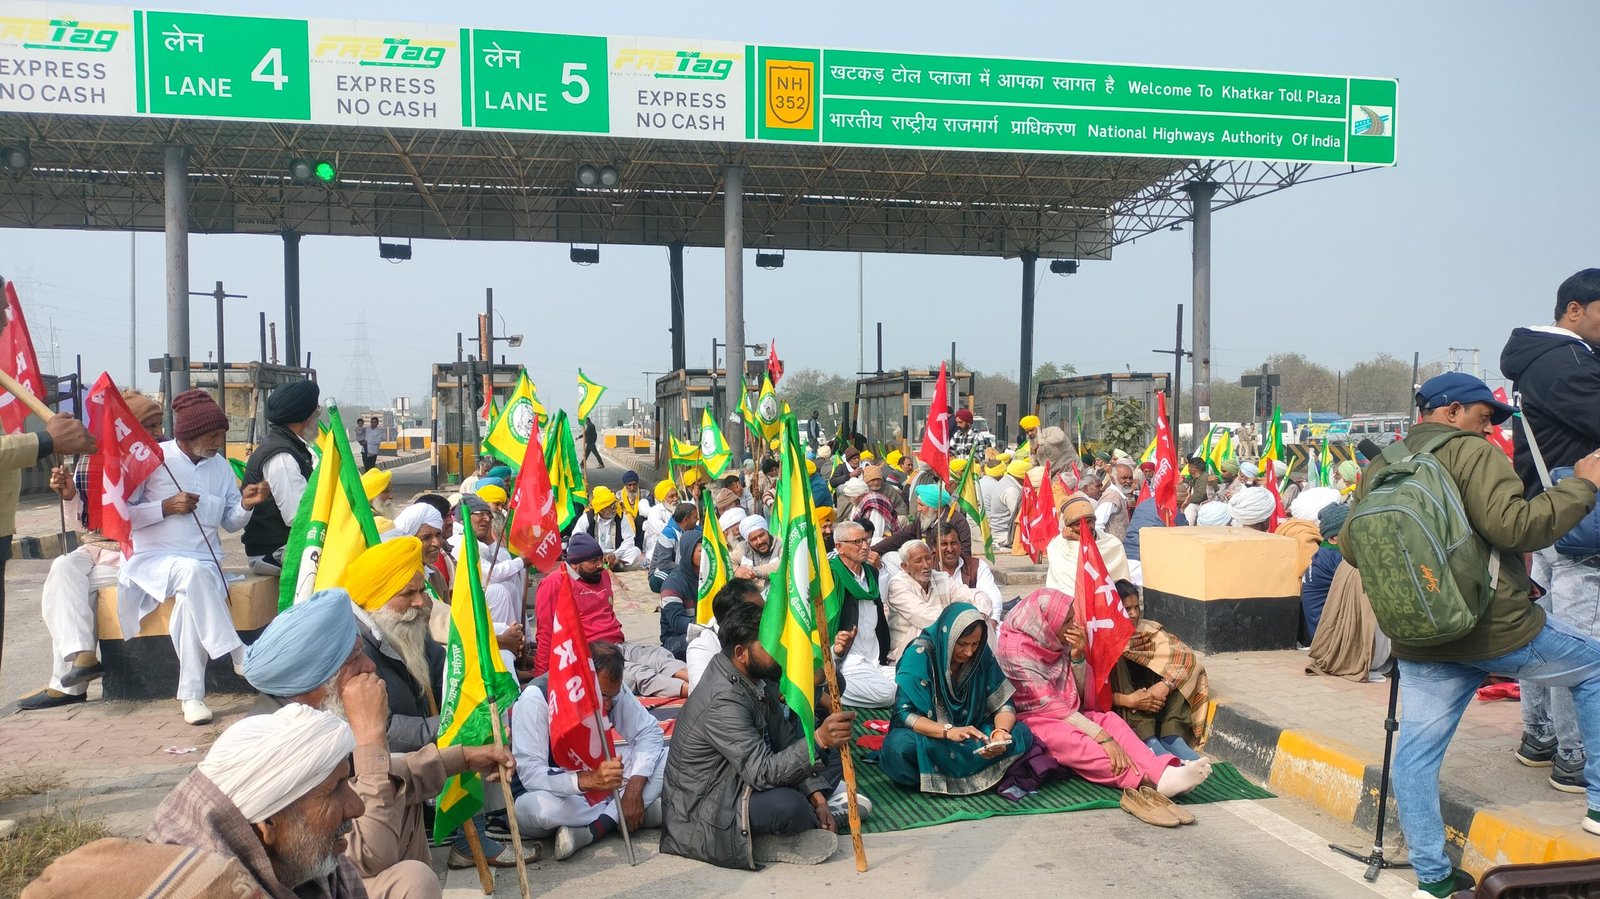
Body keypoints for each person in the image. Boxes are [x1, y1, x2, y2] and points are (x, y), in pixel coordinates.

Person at [1339, 372, 1600, 899]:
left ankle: (1432, 878)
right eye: (1483, 416)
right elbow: (1517, 528)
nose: (1489, 427)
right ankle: (1598, 803)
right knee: (1593, 667)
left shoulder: (1382, 465)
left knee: (1415, 755)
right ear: (1451, 411)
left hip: (1419, 635)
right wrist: (1584, 484)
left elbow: (1350, 547)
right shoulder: (1474, 454)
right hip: (1493, 629)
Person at [240, 588, 523, 890]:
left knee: (395, 789)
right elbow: (371, 853)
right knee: (412, 882)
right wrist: (371, 736)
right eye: (355, 658)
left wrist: (465, 757)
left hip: (333, 876)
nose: (370, 666)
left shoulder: (312, 715)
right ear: (317, 676)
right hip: (309, 885)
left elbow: (384, 775)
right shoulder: (282, 742)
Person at [661, 601, 853, 869]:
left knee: (826, 760)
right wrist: (819, 739)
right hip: (703, 814)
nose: (777, 652)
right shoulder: (722, 700)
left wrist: (818, 798)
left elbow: (784, 740)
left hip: (739, 780)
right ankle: (755, 841)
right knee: (790, 805)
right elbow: (762, 772)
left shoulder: (759, 676)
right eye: (768, 645)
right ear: (741, 653)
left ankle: (816, 812)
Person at [997, 588, 1212, 827]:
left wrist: (1078, 657)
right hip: (1036, 719)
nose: (1072, 626)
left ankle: (1161, 770)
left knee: (1110, 720)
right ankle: (1147, 781)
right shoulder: (1015, 650)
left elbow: (1079, 697)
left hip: (1068, 710)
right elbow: (1049, 705)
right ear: (1047, 622)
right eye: (1067, 621)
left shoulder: (1055, 641)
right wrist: (1104, 739)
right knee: (1079, 741)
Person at [1502, 273, 1600, 788]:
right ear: (1575, 310)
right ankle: (1576, 755)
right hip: (1580, 523)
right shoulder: (1570, 364)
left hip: (1547, 517)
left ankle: (1540, 737)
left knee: (1546, 634)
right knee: (1582, 645)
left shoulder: (1541, 359)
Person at [117, 389, 268, 725]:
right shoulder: (153, 459)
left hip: (204, 565)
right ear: (188, 434)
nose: (217, 442)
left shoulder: (221, 467)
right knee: (191, 573)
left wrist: (245, 504)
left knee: (190, 600)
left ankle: (191, 696)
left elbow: (229, 521)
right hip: (155, 561)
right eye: (212, 435)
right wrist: (165, 507)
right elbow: (123, 514)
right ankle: (238, 652)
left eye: (221, 436)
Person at [21, 391, 159, 711]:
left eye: (156, 425)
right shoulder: (95, 457)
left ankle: (68, 686)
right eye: (147, 426)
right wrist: (70, 494)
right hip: (99, 547)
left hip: (140, 551)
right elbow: (85, 525)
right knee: (64, 568)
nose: (155, 433)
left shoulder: (158, 459)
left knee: (73, 593)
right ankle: (82, 657)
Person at [146, 703, 367, 897]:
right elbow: (375, 855)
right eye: (335, 789)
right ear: (269, 822)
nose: (358, 807)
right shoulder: (201, 890)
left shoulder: (317, 868)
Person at [513, 641, 668, 860]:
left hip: (601, 789)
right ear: (581, 679)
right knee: (543, 811)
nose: (607, 705)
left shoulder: (609, 689)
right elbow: (531, 775)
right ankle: (623, 814)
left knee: (668, 758)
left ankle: (591, 831)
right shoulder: (536, 698)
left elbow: (649, 733)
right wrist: (587, 781)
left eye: (611, 698)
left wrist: (634, 788)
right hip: (555, 794)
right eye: (602, 696)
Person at [881, 603, 1034, 794]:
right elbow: (904, 714)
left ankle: (947, 775)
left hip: (973, 734)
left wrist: (999, 734)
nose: (969, 652)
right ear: (948, 637)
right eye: (962, 644)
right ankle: (981, 772)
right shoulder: (919, 654)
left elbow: (1004, 703)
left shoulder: (980, 654)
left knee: (1022, 733)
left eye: (975, 644)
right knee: (898, 747)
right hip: (934, 736)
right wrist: (948, 732)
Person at [533, 533, 688, 697]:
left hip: (618, 645)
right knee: (639, 675)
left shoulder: (601, 575)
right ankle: (696, 692)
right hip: (590, 656)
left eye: (601, 558)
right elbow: (545, 633)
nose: (601, 565)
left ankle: (702, 683)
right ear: (575, 564)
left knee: (659, 656)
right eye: (593, 562)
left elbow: (608, 613)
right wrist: (542, 679)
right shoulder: (553, 584)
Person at [343, 538, 446, 755]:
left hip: (430, 759)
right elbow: (383, 730)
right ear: (375, 598)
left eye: (421, 590)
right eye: (408, 594)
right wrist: (452, 725)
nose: (419, 602)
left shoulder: (407, 625)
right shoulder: (355, 653)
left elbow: (444, 672)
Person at [1109, 581, 1210, 762]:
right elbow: (1092, 696)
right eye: (1127, 609)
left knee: (1177, 666)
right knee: (1117, 660)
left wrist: (1165, 685)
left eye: (1136, 607)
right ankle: (1150, 742)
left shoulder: (1148, 631)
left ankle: (1171, 736)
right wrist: (1132, 700)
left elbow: (1188, 659)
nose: (1133, 614)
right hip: (1128, 707)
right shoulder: (1102, 640)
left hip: (1156, 701)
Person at [1304, 504, 1392, 684]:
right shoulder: (1337, 558)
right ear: (1336, 538)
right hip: (1331, 641)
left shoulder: (1326, 552)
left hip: (1322, 632)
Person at [242, 379, 319, 575]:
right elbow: (298, 516)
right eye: (316, 411)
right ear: (306, 416)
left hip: (285, 545)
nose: (318, 416)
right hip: (273, 551)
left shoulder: (287, 445)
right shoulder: (281, 455)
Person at [828, 521, 896, 707]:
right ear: (839, 547)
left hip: (874, 659)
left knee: (916, 681)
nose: (865, 546)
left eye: (866, 540)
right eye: (857, 542)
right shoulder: (830, 575)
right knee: (887, 694)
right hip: (849, 661)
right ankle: (828, 688)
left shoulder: (871, 573)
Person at [885, 540, 984, 661]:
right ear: (905, 566)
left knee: (981, 621)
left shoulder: (940, 577)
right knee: (923, 629)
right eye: (918, 561)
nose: (926, 565)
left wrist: (980, 614)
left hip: (946, 639)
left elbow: (974, 595)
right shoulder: (897, 584)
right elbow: (922, 615)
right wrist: (961, 623)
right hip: (909, 649)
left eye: (928, 559)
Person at [1045, 493, 1130, 594]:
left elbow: (1120, 585)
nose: (1086, 527)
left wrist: (1077, 538)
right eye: (1078, 524)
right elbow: (1068, 587)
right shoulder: (1057, 547)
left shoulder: (1112, 544)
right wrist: (1076, 540)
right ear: (1068, 527)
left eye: (1089, 521)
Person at [571, 485, 644, 570]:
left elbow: (629, 539)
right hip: (594, 555)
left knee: (636, 552)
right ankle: (607, 566)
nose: (614, 509)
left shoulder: (620, 516)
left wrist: (615, 555)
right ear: (601, 510)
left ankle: (614, 565)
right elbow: (575, 538)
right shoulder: (587, 517)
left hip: (615, 554)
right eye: (610, 506)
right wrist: (593, 555)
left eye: (614, 505)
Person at [659, 532, 701, 660]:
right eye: (701, 550)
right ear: (689, 552)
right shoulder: (672, 584)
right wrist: (707, 625)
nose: (707, 555)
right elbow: (677, 624)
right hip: (676, 639)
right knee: (698, 644)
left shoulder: (711, 578)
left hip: (708, 631)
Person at [649, 501, 699, 592]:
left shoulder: (696, 530)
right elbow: (664, 564)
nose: (698, 519)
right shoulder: (668, 534)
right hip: (665, 571)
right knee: (663, 580)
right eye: (695, 517)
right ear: (686, 520)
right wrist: (687, 569)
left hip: (686, 570)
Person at [987, 459, 1027, 551]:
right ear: (1022, 477)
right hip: (1004, 535)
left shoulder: (1005, 481)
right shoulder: (1011, 490)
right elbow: (1020, 516)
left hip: (999, 532)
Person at [733, 514, 781, 586]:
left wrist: (754, 572)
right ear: (748, 541)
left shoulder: (781, 544)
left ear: (767, 532)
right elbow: (726, 563)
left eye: (761, 535)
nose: (760, 541)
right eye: (753, 539)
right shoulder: (743, 547)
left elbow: (781, 565)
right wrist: (736, 570)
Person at [1095, 462, 1135, 540]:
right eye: (1124, 478)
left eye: (1130, 478)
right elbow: (1097, 525)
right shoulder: (1112, 497)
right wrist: (1108, 544)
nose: (1129, 481)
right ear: (1113, 478)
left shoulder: (1119, 495)